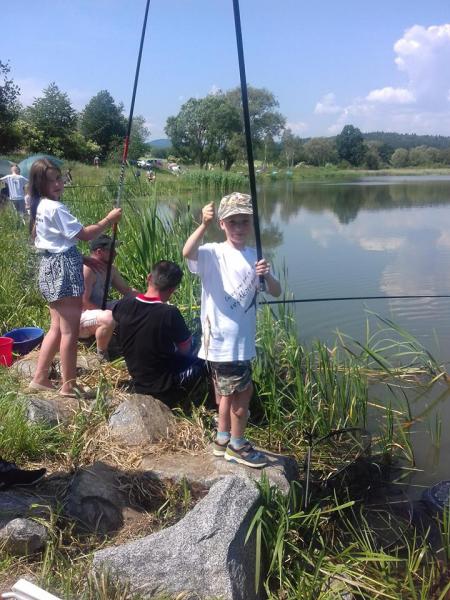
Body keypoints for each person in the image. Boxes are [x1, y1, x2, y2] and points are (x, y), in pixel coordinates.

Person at [182, 192, 282, 468]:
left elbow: (276, 291)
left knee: (226, 393)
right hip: (223, 342)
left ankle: (223, 438)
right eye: (233, 222)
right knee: (242, 394)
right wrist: (202, 224)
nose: (239, 227)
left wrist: (267, 275)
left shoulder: (255, 256)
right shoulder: (213, 252)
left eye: (245, 222)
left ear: (252, 224)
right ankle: (238, 446)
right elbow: (187, 252)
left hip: (242, 341)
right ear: (222, 224)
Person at [28, 158, 122, 397]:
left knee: (56, 329)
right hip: (63, 270)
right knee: (69, 331)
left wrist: (81, 259)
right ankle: (68, 385)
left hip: (49, 266)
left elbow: (55, 243)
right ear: (40, 184)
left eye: (59, 178)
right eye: (52, 181)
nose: (59, 183)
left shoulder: (38, 205)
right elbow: (85, 235)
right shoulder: (56, 208)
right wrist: (109, 220)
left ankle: (40, 378)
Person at [112, 260, 206, 406]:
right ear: (173, 289)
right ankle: (211, 405)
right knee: (205, 361)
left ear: (149, 277)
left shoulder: (124, 304)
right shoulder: (170, 313)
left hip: (137, 379)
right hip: (164, 388)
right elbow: (185, 350)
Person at [79, 234, 138, 360]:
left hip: (100, 310)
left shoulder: (110, 269)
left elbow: (127, 291)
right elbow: (83, 302)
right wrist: (106, 313)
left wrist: (150, 300)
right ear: (99, 252)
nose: (115, 253)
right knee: (109, 318)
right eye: (112, 250)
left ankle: (128, 343)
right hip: (81, 317)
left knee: (133, 304)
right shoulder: (87, 269)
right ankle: (102, 355)